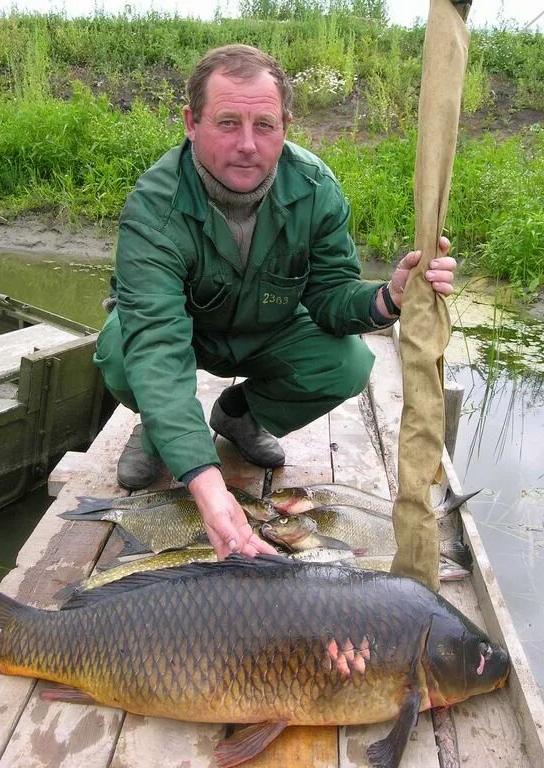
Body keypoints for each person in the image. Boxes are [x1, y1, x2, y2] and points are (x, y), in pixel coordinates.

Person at [93, 44, 455, 560]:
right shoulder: (154, 207)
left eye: (264, 125)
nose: (247, 144)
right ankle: (159, 429)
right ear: (191, 123)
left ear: (286, 124)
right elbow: (156, 346)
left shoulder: (314, 189)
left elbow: (331, 296)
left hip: (269, 333)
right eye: (227, 123)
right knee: (122, 349)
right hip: (186, 336)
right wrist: (206, 482)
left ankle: (240, 416)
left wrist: (389, 296)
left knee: (348, 363)